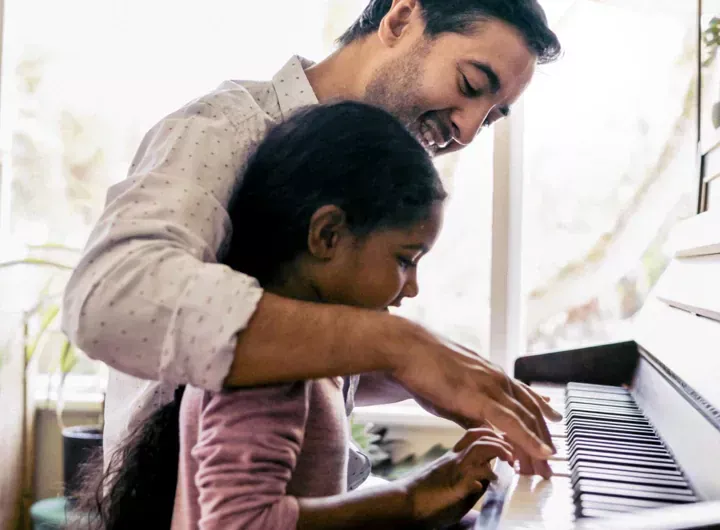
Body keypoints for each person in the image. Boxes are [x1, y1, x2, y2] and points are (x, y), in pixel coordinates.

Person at [61, 0, 563, 484]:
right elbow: (110, 302)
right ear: (403, 18)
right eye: (470, 84)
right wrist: (400, 346)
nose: (468, 131)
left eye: (492, 117)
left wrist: (446, 373)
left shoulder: (357, 171)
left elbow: (289, 351)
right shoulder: (223, 129)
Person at [77, 101, 515, 530]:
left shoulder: (301, 358)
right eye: (405, 259)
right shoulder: (275, 375)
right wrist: (410, 499)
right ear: (327, 235)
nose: (412, 286)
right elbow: (238, 523)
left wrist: (446, 384)